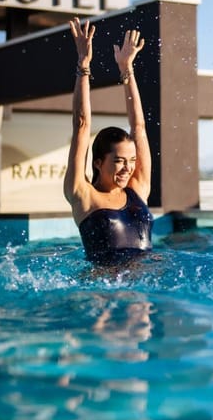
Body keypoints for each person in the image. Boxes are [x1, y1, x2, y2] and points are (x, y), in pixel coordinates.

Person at [64, 17, 153, 263]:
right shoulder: (83, 195)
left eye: (131, 160)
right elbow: (81, 125)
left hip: (148, 279)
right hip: (105, 284)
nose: (128, 168)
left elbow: (139, 127)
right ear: (98, 162)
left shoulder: (137, 189)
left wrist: (126, 69)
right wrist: (83, 65)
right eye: (120, 161)